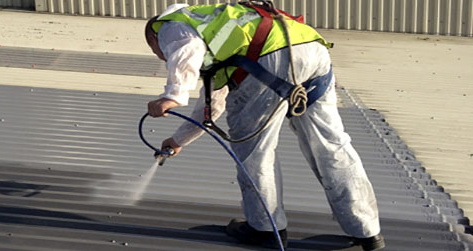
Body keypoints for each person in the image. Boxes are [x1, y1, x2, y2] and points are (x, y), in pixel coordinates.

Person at [144, 2, 384, 250]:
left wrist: (173, 95)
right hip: (310, 49)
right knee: (332, 145)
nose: (162, 55)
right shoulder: (218, 32)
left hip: (267, 58)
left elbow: (187, 49)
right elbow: (212, 106)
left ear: (153, 39)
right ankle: (366, 230)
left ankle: (264, 228)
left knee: (255, 150)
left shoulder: (169, 26)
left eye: (157, 51)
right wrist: (179, 140)